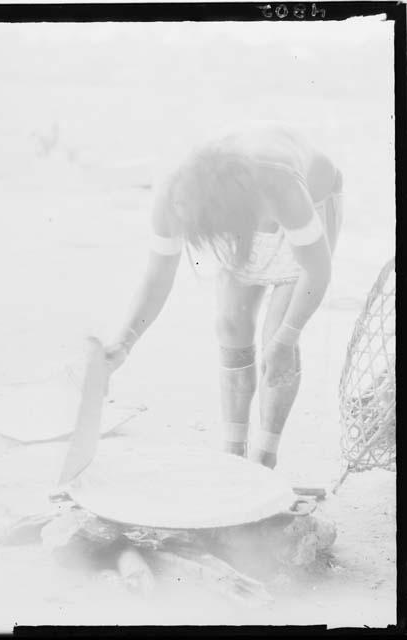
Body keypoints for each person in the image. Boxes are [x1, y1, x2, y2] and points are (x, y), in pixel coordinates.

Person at [104, 122, 343, 469]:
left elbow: (317, 270)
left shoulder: (280, 184)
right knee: (230, 324)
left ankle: (265, 457)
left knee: (277, 332)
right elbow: (158, 277)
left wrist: (288, 337)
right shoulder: (173, 198)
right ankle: (233, 455)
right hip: (242, 216)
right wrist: (123, 343)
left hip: (313, 204)